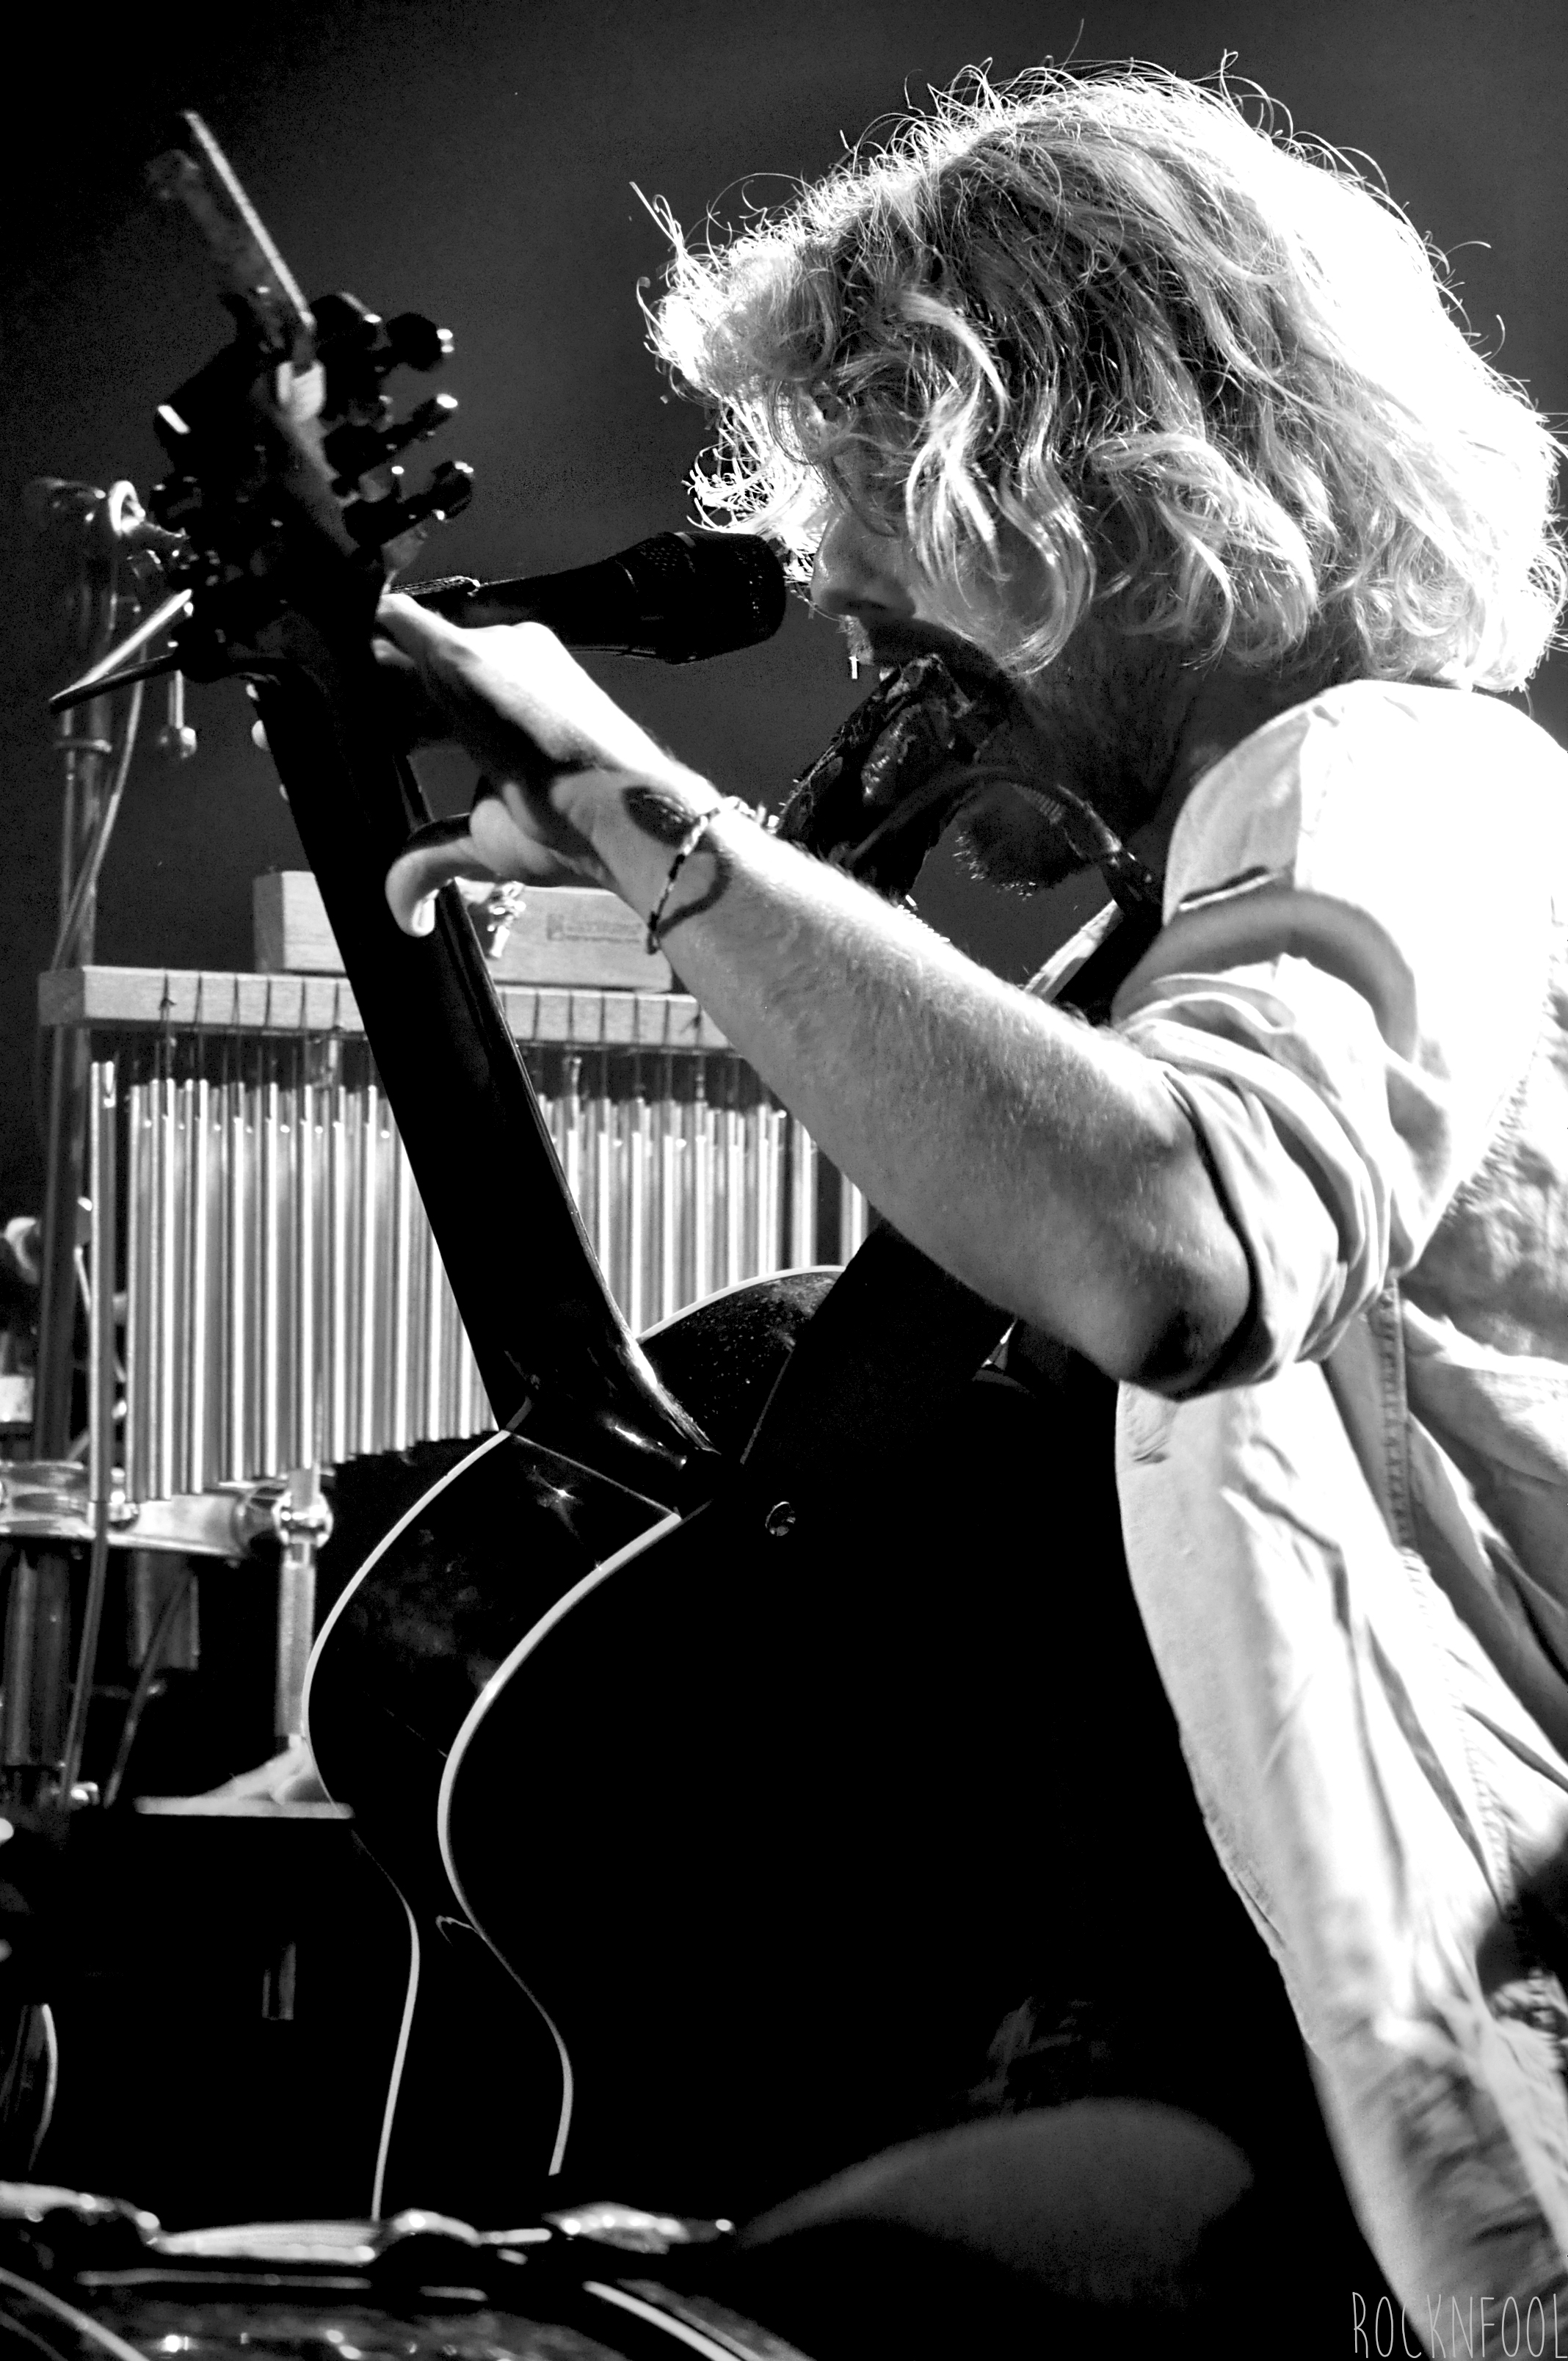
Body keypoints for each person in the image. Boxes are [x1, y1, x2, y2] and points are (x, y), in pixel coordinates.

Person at [374, 62, 1568, 2335]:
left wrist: (650, 812)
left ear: (1098, 475)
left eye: (879, 496)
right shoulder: (1173, 927)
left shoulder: (1386, 770)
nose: (837, 594)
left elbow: (1176, 1245)